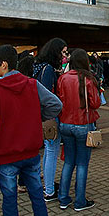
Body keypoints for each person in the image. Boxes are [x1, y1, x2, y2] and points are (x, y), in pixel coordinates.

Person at [0, 45, 62, 216]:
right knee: (37, 194)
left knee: (9, 199)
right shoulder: (32, 85)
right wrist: (38, 117)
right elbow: (56, 105)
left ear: (4, 64)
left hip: (6, 156)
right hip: (31, 153)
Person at [55, 48, 101, 212]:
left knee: (68, 161)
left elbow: (58, 101)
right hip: (83, 124)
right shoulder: (88, 79)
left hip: (65, 123)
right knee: (82, 164)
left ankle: (63, 198)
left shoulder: (62, 78)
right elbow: (95, 103)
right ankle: (80, 201)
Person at [35, 37, 67, 199]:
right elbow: (47, 95)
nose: (64, 56)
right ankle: (49, 190)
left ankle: (47, 185)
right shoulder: (48, 70)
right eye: (62, 52)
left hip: (44, 116)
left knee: (49, 150)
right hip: (51, 117)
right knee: (52, 150)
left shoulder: (40, 67)